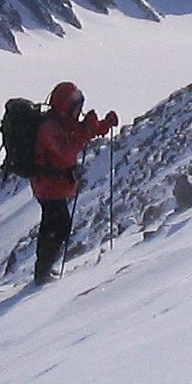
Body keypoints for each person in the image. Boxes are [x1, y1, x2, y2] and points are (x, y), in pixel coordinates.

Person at [30, 82, 117, 284]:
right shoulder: (49, 127)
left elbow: (80, 132)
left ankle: (43, 269)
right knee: (57, 225)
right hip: (48, 186)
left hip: (52, 185)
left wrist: (104, 124)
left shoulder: (62, 121)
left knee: (55, 225)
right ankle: (42, 272)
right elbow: (67, 151)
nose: (79, 111)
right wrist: (87, 128)